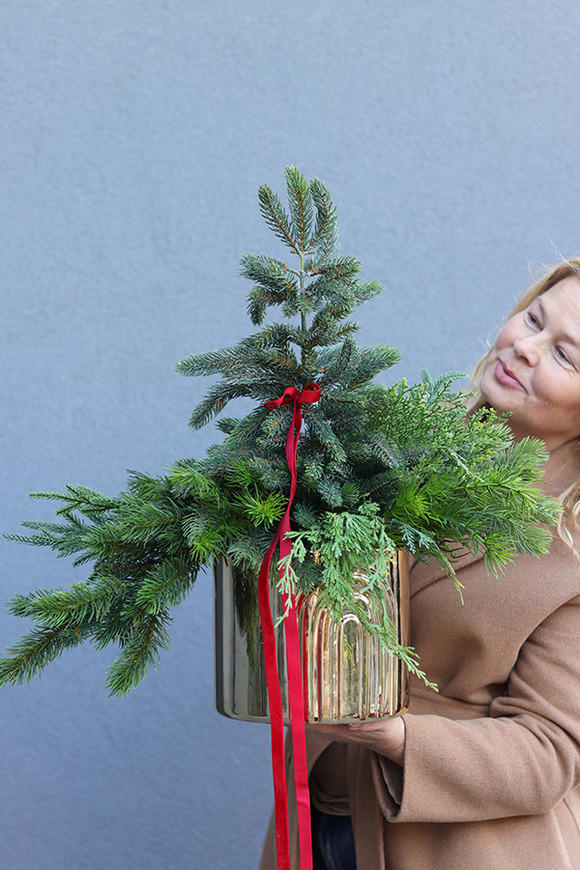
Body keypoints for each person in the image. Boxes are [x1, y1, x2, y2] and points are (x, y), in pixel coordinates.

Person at [259, 258, 580, 870]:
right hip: (323, 814)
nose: (528, 348)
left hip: (461, 848)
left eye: (566, 356)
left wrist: (397, 736)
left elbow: (549, 752)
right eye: (533, 319)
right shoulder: (399, 452)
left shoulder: (574, 550)